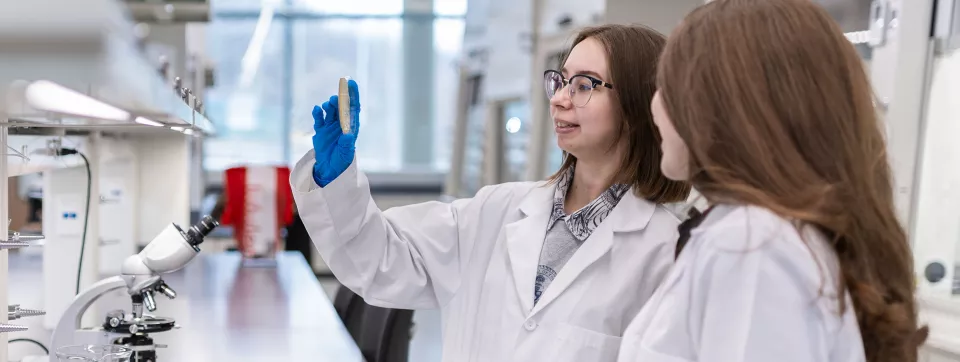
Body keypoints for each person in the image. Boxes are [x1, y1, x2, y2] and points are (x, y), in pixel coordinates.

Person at [290, 24, 690, 362]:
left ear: (640, 104)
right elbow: (381, 261)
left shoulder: (663, 251)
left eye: (584, 85)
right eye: (561, 80)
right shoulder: (498, 210)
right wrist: (335, 177)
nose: (560, 98)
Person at [616, 0, 928, 361]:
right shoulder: (766, 236)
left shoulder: (751, 242)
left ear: (724, 106)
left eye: (668, 87)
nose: (654, 105)